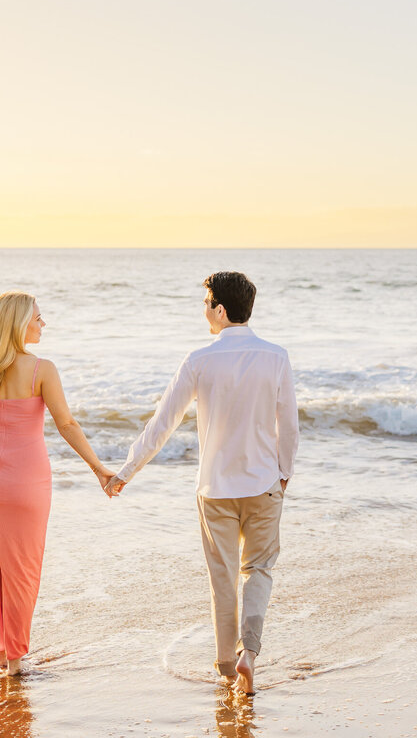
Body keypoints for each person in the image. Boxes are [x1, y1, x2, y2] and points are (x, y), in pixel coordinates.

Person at [105, 271, 299, 695]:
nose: (203, 312)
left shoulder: (199, 360)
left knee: (223, 577)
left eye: (206, 303)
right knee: (259, 570)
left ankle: (227, 668)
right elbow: (290, 427)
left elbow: (163, 423)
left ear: (221, 310)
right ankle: (251, 655)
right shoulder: (276, 357)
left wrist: (125, 472)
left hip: (215, 489)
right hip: (265, 483)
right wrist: (283, 473)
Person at [0, 291, 114, 676]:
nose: (42, 324)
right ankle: (15, 659)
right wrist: (99, 468)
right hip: (26, 479)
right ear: (18, 324)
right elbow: (67, 425)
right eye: (38, 318)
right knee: (23, 566)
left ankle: (0, 653)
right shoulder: (41, 369)